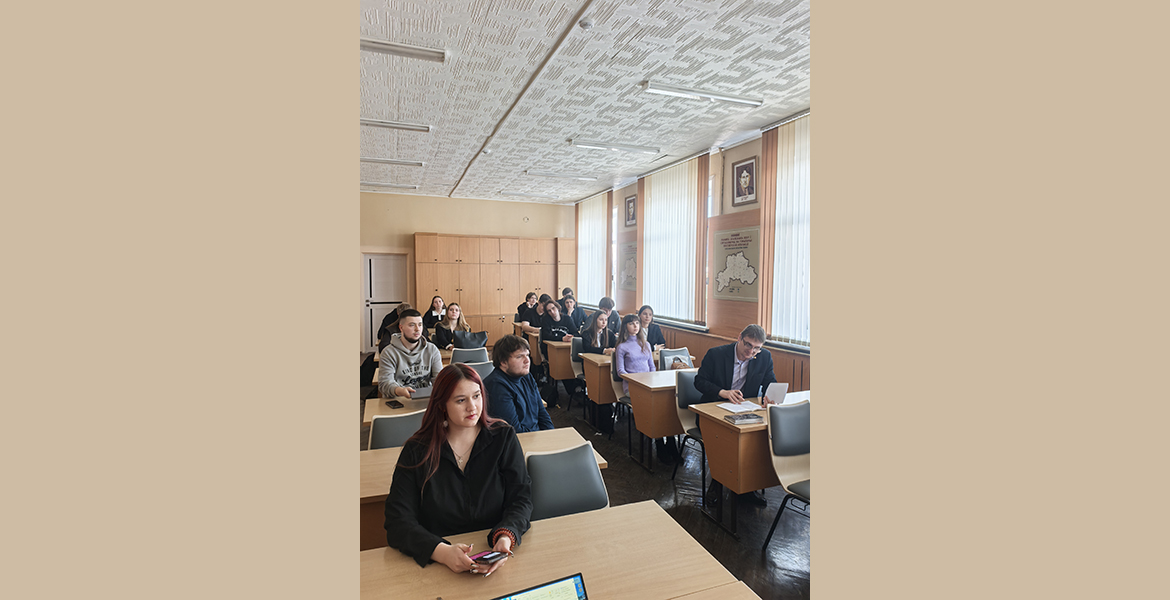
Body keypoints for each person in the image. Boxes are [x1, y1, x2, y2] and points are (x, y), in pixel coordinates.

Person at [383, 363, 532, 573]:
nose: (472, 407)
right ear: (442, 405)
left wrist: (506, 536)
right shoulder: (417, 450)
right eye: (461, 400)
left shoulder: (503, 437)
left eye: (477, 396)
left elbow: (521, 499)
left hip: (495, 556)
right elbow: (397, 521)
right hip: (436, 564)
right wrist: (442, 552)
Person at [693, 324, 777, 506]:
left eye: (757, 348)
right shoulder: (716, 354)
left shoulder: (764, 357)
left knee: (755, 440)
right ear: (739, 338)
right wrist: (722, 392)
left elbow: (770, 382)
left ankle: (747, 488)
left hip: (744, 410)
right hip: (712, 410)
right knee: (726, 439)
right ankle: (717, 483)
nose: (751, 351)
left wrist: (771, 397)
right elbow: (699, 381)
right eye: (748, 345)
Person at [614, 314, 677, 464]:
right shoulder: (621, 347)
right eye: (631, 323)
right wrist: (637, 380)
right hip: (632, 387)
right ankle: (659, 443)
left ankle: (671, 442)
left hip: (649, 385)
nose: (635, 326)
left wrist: (651, 380)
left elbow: (652, 367)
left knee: (667, 404)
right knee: (656, 406)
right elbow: (620, 371)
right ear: (625, 327)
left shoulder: (646, 344)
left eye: (637, 323)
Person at [482, 335, 553, 433]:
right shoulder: (497, 386)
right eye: (519, 356)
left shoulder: (526, 376)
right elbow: (513, 430)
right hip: (519, 439)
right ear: (503, 362)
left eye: (527, 355)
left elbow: (542, 413)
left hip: (535, 435)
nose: (527, 360)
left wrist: (550, 434)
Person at [378, 309, 443, 399]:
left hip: (425, 399)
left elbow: (439, 378)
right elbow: (385, 383)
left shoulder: (432, 349)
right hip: (400, 399)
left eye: (420, 325)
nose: (417, 329)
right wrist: (399, 390)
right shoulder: (388, 353)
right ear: (401, 328)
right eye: (412, 325)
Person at [579, 311, 617, 434]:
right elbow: (588, 348)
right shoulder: (587, 333)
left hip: (605, 365)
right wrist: (604, 350)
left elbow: (614, 348)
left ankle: (608, 410)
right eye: (601, 320)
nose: (604, 322)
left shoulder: (610, 334)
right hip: (590, 365)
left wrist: (610, 350)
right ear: (595, 320)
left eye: (606, 320)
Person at [540, 299, 579, 405]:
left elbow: (576, 333)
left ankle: (576, 390)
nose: (552, 312)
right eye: (549, 311)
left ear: (558, 307)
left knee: (569, 363)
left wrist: (571, 337)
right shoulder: (546, 320)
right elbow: (546, 336)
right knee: (563, 365)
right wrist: (562, 339)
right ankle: (572, 390)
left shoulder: (567, 319)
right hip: (550, 350)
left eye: (553, 308)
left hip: (567, 350)